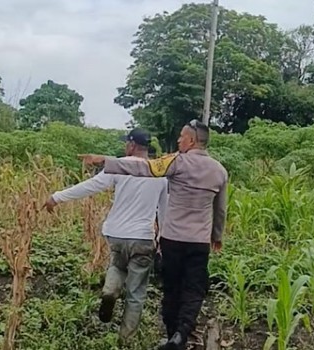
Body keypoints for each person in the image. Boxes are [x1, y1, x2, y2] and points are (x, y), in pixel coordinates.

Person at [79, 119, 228, 350]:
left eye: (181, 136)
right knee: (194, 289)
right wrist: (216, 236)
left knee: (172, 289)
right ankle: (181, 334)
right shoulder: (220, 171)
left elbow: (142, 168)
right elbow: (220, 209)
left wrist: (106, 161)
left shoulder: (176, 162)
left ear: (191, 140)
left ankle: (171, 336)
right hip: (199, 242)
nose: (178, 140)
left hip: (173, 240)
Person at [43, 128, 168, 344]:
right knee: (136, 293)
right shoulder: (160, 173)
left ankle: (110, 291)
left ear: (131, 145)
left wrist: (57, 197)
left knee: (117, 266)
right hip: (143, 238)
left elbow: (90, 187)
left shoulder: (119, 167)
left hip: (117, 235)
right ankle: (125, 340)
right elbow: (164, 211)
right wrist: (162, 240)